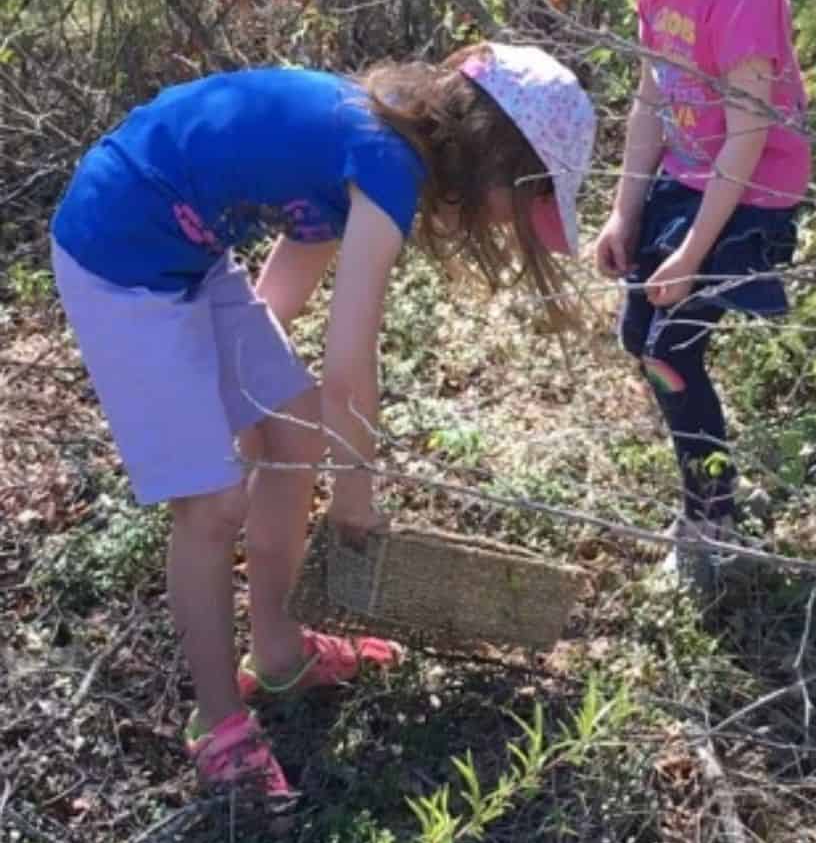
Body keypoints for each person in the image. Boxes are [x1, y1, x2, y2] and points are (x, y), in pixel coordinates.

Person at [50, 42, 595, 795]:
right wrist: (353, 503)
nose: (514, 224)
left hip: (189, 256)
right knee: (210, 502)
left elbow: (281, 300)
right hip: (118, 250)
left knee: (293, 423)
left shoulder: (366, 150)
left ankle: (277, 653)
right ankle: (219, 725)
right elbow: (349, 365)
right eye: (526, 200)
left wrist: (249, 410)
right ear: (493, 158)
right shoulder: (385, 161)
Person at [537, 0, 810, 592]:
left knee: (672, 348)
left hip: (744, 199)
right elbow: (655, 96)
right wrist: (626, 211)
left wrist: (694, 250)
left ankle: (713, 517)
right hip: (683, 185)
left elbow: (750, 135)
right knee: (637, 336)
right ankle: (706, 492)